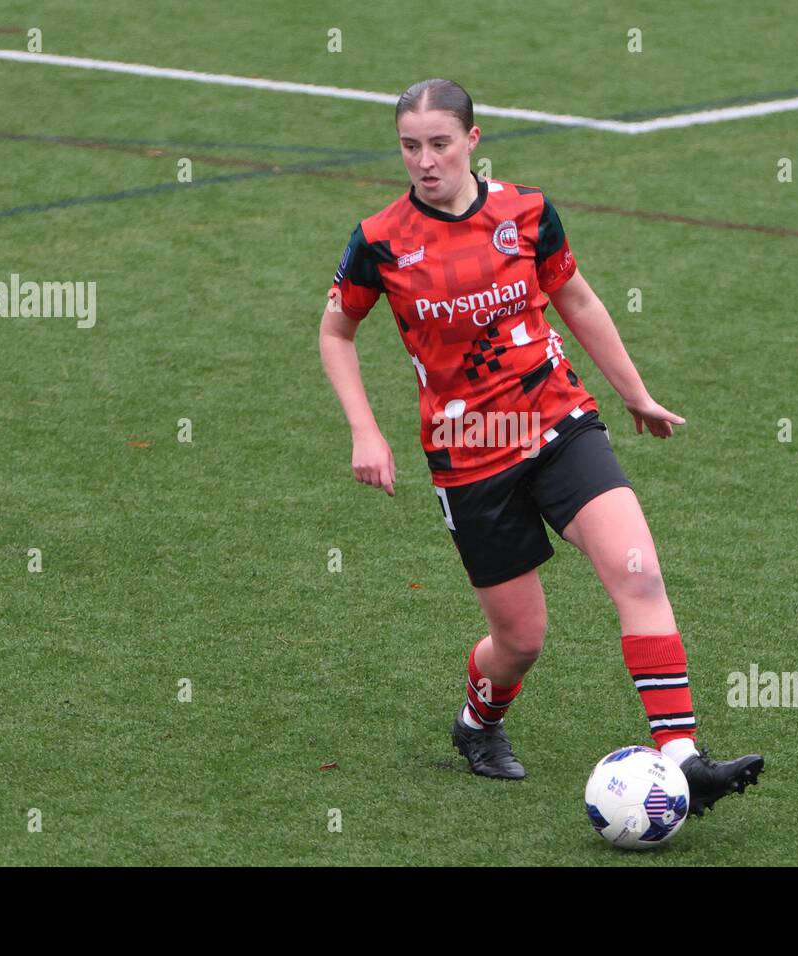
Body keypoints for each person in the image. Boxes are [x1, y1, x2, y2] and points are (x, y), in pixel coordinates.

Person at [319, 78, 763, 817]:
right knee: (520, 639)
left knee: (640, 573)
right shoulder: (379, 240)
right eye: (409, 146)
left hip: (558, 423)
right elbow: (337, 330)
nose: (425, 161)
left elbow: (576, 297)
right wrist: (365, 428)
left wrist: (634, 393)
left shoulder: (526, 211)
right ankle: (478, 724)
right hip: (468, 456)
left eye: (439, 143)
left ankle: (684, 758)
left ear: (472, 140)